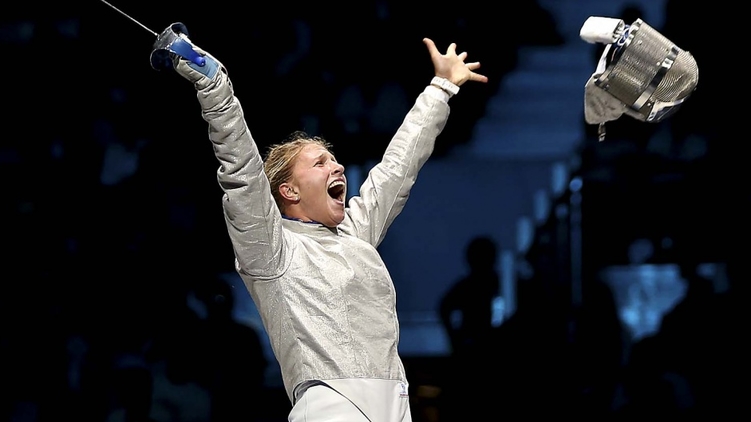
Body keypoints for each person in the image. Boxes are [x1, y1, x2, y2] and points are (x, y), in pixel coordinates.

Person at [166, 33, 488, 422]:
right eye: (320, 163)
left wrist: (441, 88)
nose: (337, 167)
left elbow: (398, 167)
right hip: (331, 406)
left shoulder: (355, 235)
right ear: (289, 191)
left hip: (396, 404)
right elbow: (242, 172)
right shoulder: (271, 250)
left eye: (334, 160)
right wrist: (215, 87)